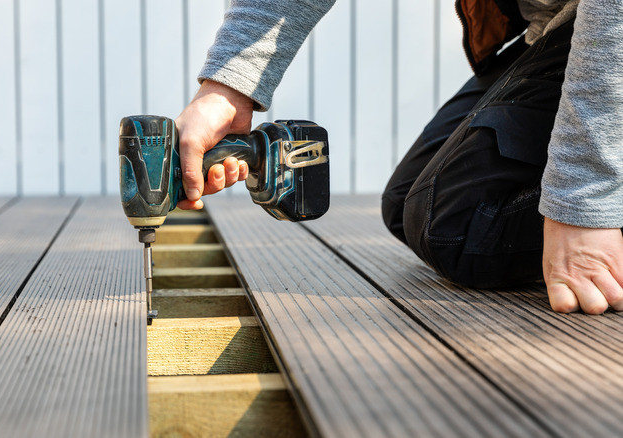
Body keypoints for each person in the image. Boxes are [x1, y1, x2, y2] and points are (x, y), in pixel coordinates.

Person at [174, 0, 623, 314]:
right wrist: (226, 91)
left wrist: (584, 207)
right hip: (560, 28)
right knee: (407, 204)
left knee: (461, 227)